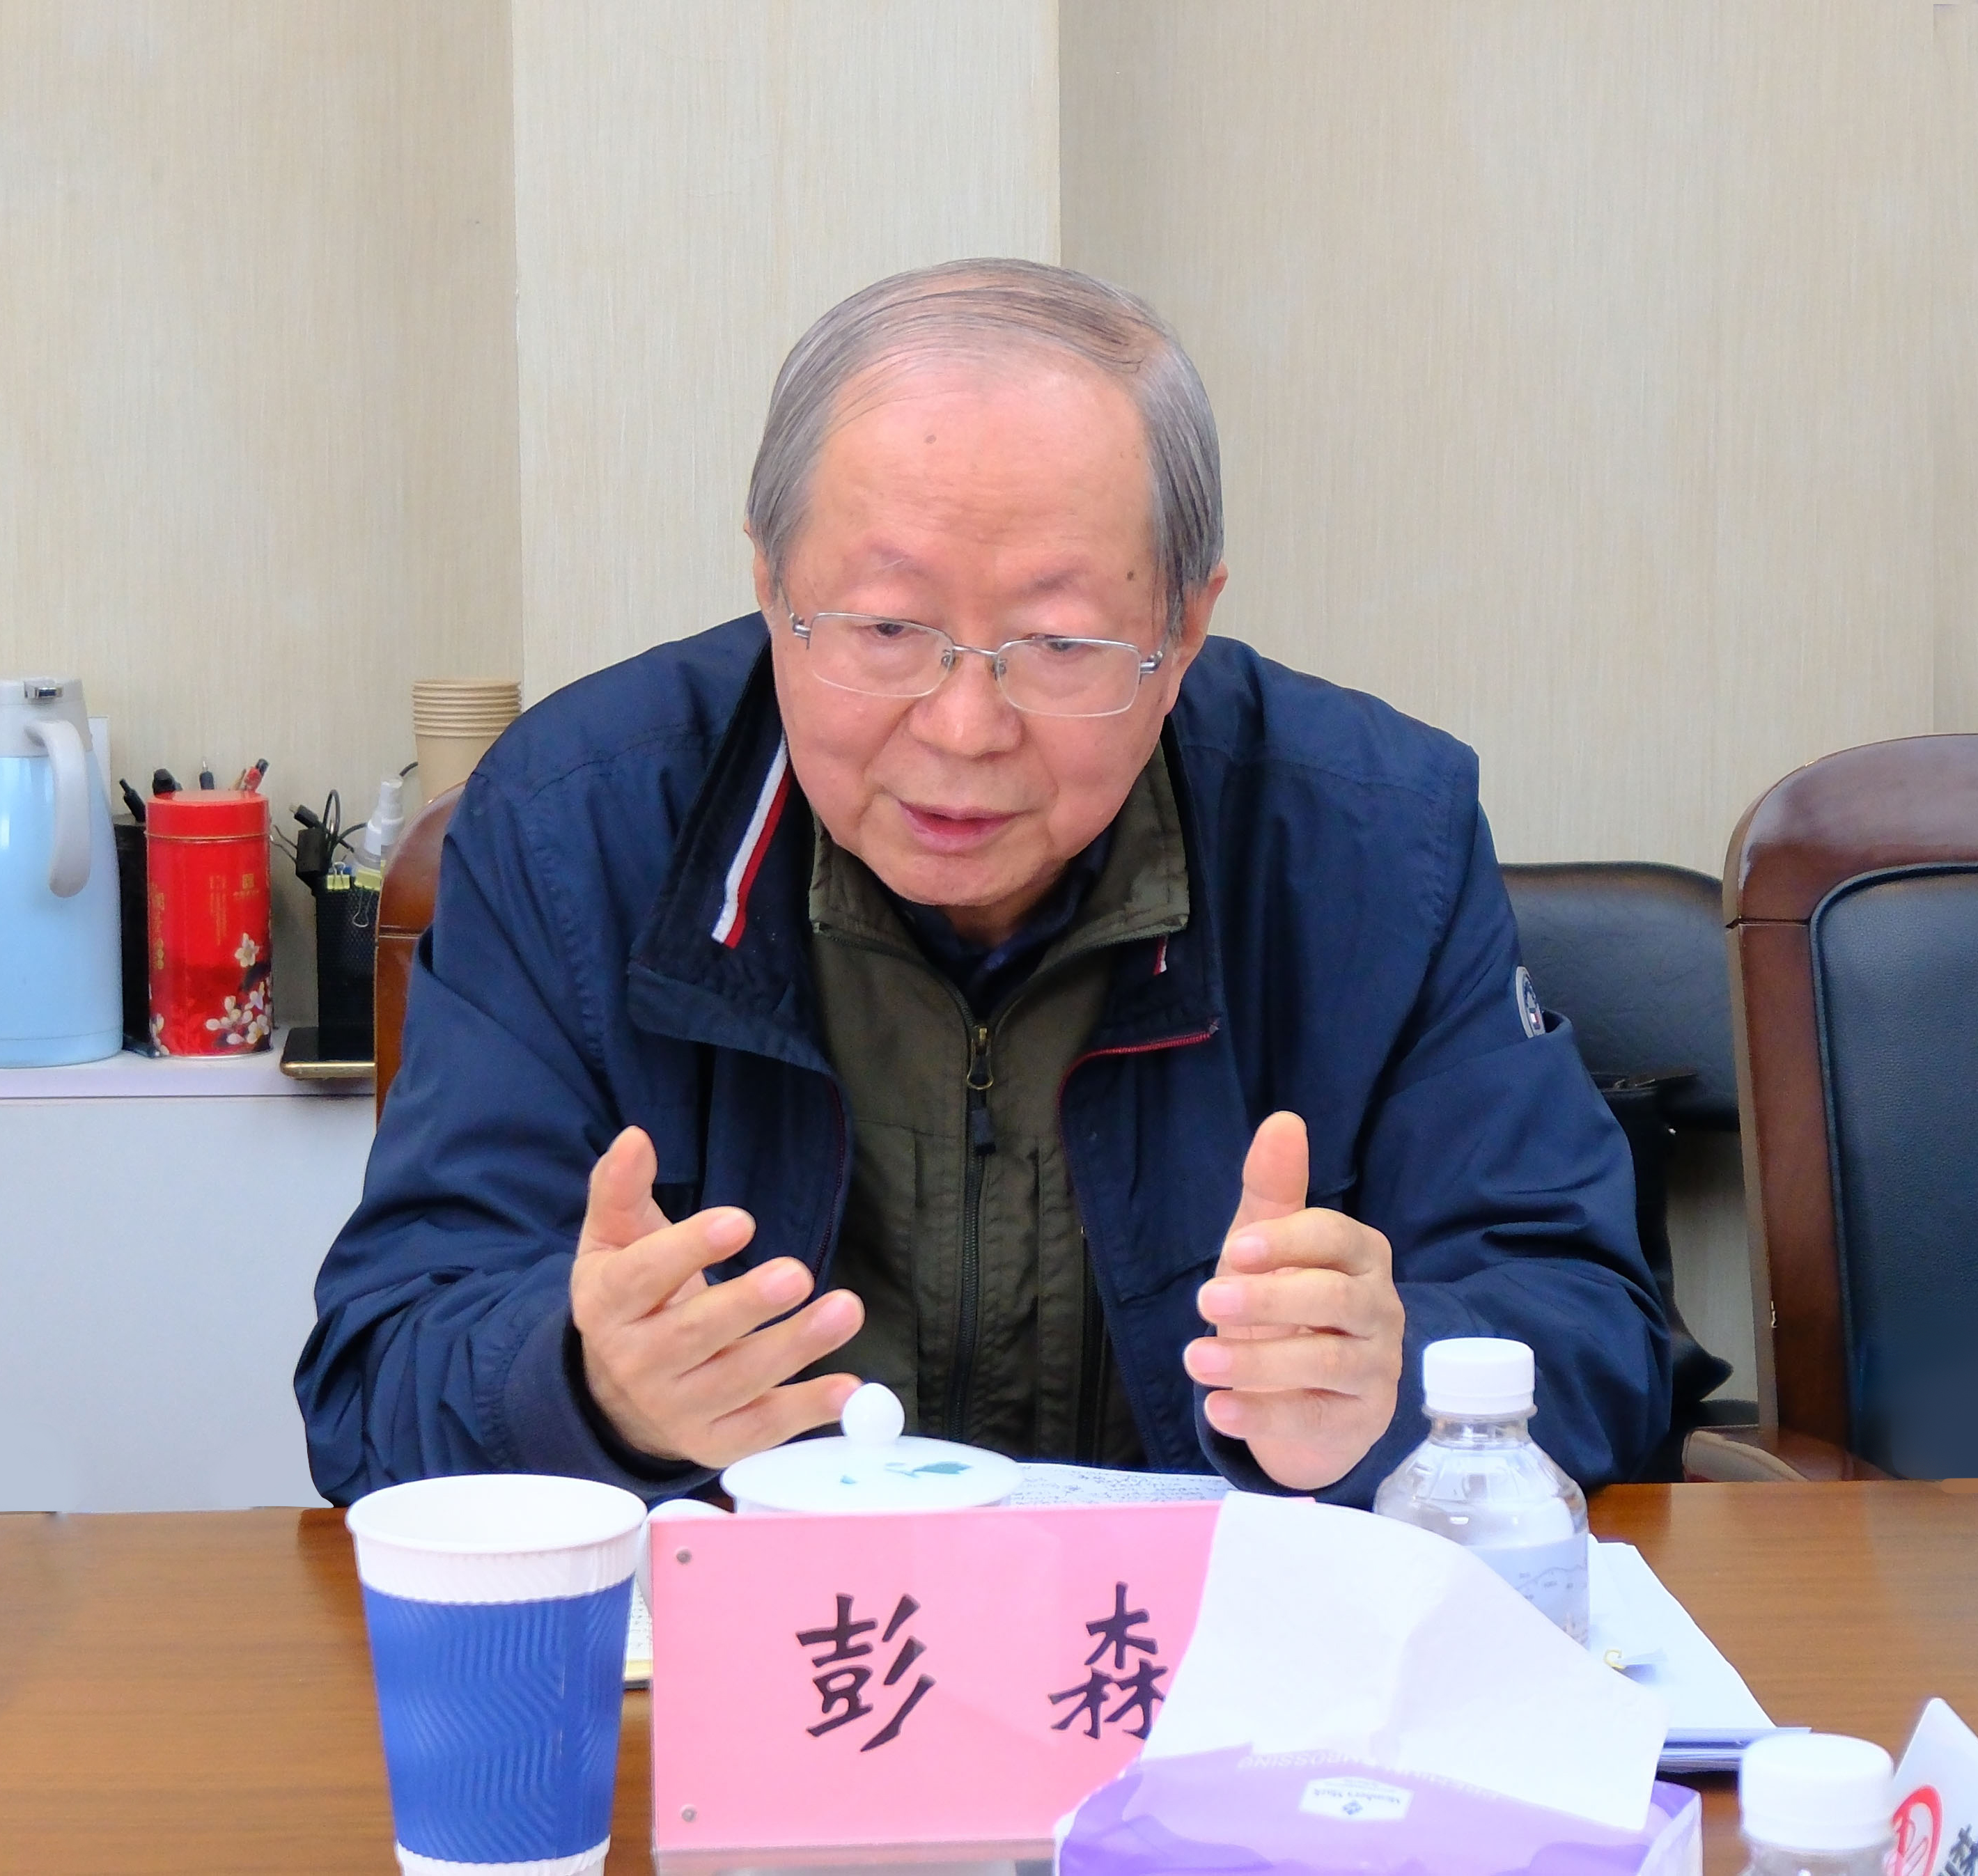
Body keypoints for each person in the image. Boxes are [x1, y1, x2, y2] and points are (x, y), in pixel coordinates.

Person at [297, 259, 1669, 1505]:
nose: (963, 729)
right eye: (886, 628)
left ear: (1186, 627)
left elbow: (1599, 1336)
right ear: (771, 587)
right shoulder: (574, 831)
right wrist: (589, 1389)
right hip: (757, 1667)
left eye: (1061, 645)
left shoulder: (1374, 841)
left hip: (1202, 1670)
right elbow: (376, 1381)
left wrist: (1392, 1386)